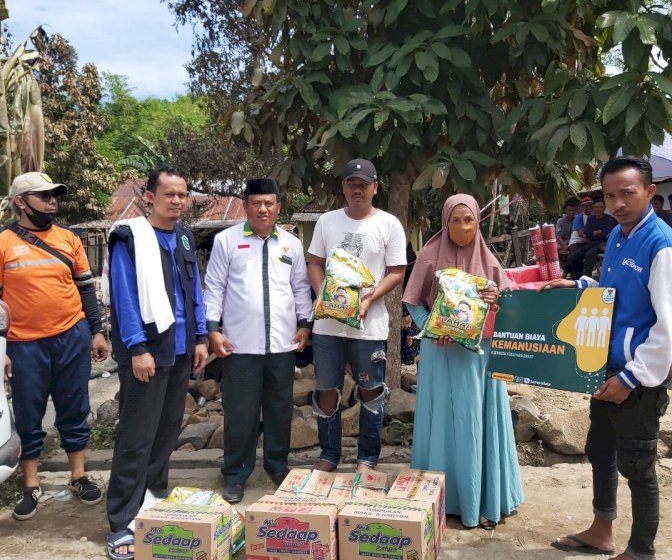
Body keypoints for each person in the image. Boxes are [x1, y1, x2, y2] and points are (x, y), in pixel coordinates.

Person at [545, 156, 672, 560]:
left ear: (649, 192)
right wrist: (577, 284)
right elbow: (615, 290)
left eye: (627, 193)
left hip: (638, 380)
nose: (618, 203)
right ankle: (601, 530)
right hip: (605, 368)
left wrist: (631, 379)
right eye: (610, 196)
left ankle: (641, 549)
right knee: (601, 450)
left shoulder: (663, 246)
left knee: (638, 467)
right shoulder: (619, 236)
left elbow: (671, 326)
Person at [0, 172, 108, 520]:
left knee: (74, 407)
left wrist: (96, 331)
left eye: (55, 195)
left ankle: (79, 475)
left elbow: (86, 290)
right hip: (23, 344)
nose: (53, 201)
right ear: (22, 202)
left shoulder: (69, 239)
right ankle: (31, 484)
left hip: (71, 336)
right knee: (29, 412)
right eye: (44, 196)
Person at [105, 165, 209, 560]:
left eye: (183, 195)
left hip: (181, 348)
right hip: (148, 349)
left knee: (166, 432)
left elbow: (193, 288)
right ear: (150, 196)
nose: (178, 201)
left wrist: (200, 336)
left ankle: (153, 499)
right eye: (170, 194)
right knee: (136, 436)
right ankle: (121, 521)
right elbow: (124, 295)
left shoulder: (183, 236)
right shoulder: (129, 237)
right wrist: (136, 348)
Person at [403, 194, 523, 530]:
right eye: (456, 220)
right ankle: (443, 499)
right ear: (445, 222)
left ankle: (483, 499)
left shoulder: (488, 259)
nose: (463, 227)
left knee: (476, 419)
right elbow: (413, 301)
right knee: (442, 421)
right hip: (441, 354)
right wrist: (431, 327)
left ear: (478, 223)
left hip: (480, 357)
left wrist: (497, 300)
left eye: (468, 220)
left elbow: (510, 302)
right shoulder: (429, 255)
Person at [203, 178, 313, 504]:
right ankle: (235, 474)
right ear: (246, 205)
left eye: (269, 203)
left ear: (278, 206)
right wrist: (213, 329)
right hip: (239, 345)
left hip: (282, 344)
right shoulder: (226, 241)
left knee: (280, 409)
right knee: (241, 412)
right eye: (256, 203)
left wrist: (305, 324)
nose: (263, 209)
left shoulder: (291, 244)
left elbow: (300, 288)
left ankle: (278, 466)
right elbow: (214, 288)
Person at [307, 158, 407, 472]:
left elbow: (397, 271)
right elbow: (314, 263)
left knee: (371, 391)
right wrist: (326, 295)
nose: (357, 190)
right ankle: (329, 454)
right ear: (343, 188)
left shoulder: (389, 224)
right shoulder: (327, 221)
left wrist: (368, 298)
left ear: (375, 187)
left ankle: (367, 457)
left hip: (370, 325)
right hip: (328, 326)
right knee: (326, 390)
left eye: (364, 184)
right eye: (352, 184)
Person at [570, 199, 617, 279]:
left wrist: (595, 233)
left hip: (603, 244)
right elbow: (587, 233)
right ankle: (577, 278)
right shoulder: (591, 219)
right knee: (575, 255)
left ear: (604, 208)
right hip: (591, 243)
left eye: (601, 207)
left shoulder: (610, 219)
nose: (598, 209)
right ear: (594, 208)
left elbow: (607, 233)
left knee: (589, 255)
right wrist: (596, 233)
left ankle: (587, 278)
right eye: (596, 207)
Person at [566, 196, 594, 272]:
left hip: (587, 242)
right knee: (575, 256)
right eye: (586, 206)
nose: (589, 207)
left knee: (591, 254)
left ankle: (587, 275)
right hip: (577, 241)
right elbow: (581, 234)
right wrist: (595, 234)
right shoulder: (579, 217)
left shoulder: (594, 217)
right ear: (582, 207)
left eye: (590, 205)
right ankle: (575, 278)